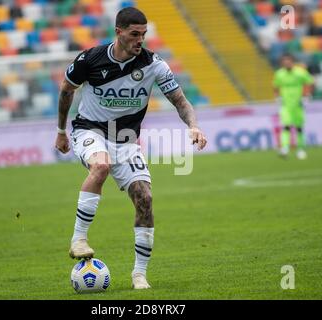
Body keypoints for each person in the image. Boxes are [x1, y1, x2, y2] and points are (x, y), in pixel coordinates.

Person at [54, 7, 207, 289]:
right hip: (90, 130)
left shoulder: (154, 64)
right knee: (101, 165)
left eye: (144, 35)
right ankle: (78, 238)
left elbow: (180, 101)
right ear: (119, 32)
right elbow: (66, 90)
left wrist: (193, 126)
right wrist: (61, 131)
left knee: (145, 199)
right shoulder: (90, 59)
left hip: (126, 141)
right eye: (135, 34)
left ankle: (139, 275)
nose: (140, 40)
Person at [273, 53, 314, 160]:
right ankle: (285, 148)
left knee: (299, 128)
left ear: (292, 62)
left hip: (298, 104)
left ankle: (300, 149)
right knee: (285, 126)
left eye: (288, 61)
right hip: (286, 105)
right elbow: (276, 86)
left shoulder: (300, 72)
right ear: (282, 63)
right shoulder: (279, 74)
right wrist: (277, 97)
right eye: (284, 61)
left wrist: (307, 95)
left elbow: (309, 82)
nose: (286, 63)